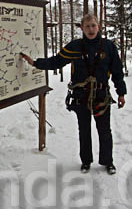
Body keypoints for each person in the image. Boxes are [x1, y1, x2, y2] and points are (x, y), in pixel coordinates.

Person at [21, 14, 126, 175]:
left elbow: (117, 71)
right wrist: (36, 63)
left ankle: (107, 161)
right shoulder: (75, 46)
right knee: (84, 130)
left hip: (101, 95)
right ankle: (86, 161)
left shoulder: (109, 47)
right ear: (82, 28)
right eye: (87, 26)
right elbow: (57, 61)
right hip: (81, 96)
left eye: (93, 25)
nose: (91, 29)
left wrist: (121, 92)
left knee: (104, 131)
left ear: (98, 26)